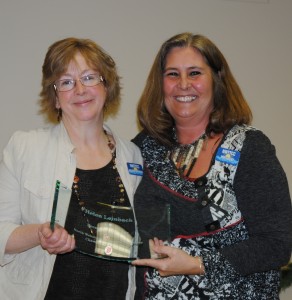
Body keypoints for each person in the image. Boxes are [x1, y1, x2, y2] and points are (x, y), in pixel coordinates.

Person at [132, 32, 292, 299]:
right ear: (160, 84)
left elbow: (276, 244)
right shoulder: (144, 149)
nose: (183, 84)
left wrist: (198, 265)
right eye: (172, 74)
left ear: (217, 81)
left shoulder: (249, 147)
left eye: (195, 73)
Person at [0, 37, 143, 300]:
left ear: (107, 87)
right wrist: (39, 233)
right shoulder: (24, 148)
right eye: (66, 82)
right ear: (54, 98)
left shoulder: (132, 156)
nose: (79, 89)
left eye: (89, 77)